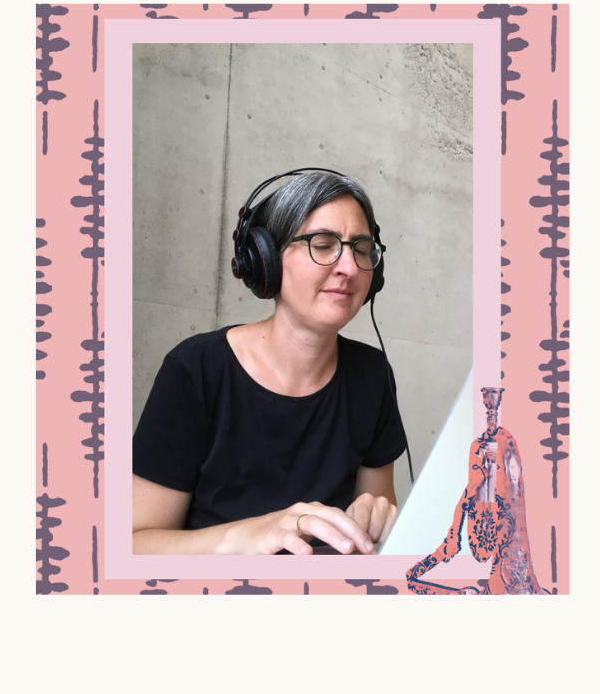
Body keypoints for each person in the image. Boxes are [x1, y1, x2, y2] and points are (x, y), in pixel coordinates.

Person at [132, 171, 407, 555]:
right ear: (265, 260)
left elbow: (374, 531)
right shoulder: (195, 370)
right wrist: (241, 537)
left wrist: (375, 518)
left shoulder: (372, 376)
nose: (348, 267)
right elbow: (134, 544)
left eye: (360, 249)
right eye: (323, 245)